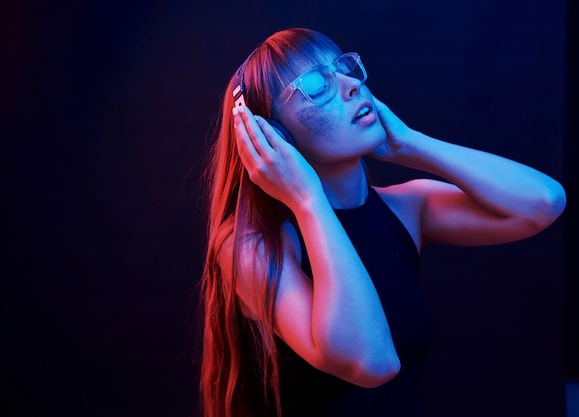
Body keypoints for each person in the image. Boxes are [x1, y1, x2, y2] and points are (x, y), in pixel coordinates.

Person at [198, 27, 566, 417]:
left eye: (343, 67)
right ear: (272, 137)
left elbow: (543, 202)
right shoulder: (252, 246)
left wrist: (409, 143)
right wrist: (307, 200)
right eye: (315, 85)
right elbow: (372, 363)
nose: (351, 85)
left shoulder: (407, 208)